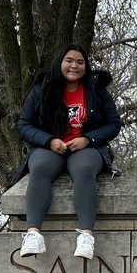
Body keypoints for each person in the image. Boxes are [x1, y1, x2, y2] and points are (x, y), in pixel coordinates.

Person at [13, 44, 122, 260]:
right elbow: (24, 124)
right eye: (69, 60)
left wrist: (88, 139)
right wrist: (49, 140)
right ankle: (33, 234)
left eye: (80, 62)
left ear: (86, 66)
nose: (74, 65)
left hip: (87, 147)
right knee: (40, 166)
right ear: (60, 63)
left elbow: (113, 124)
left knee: (83, 168)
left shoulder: (96, 90)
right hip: (51, 146)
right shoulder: (42, 89)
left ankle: (86, 236)